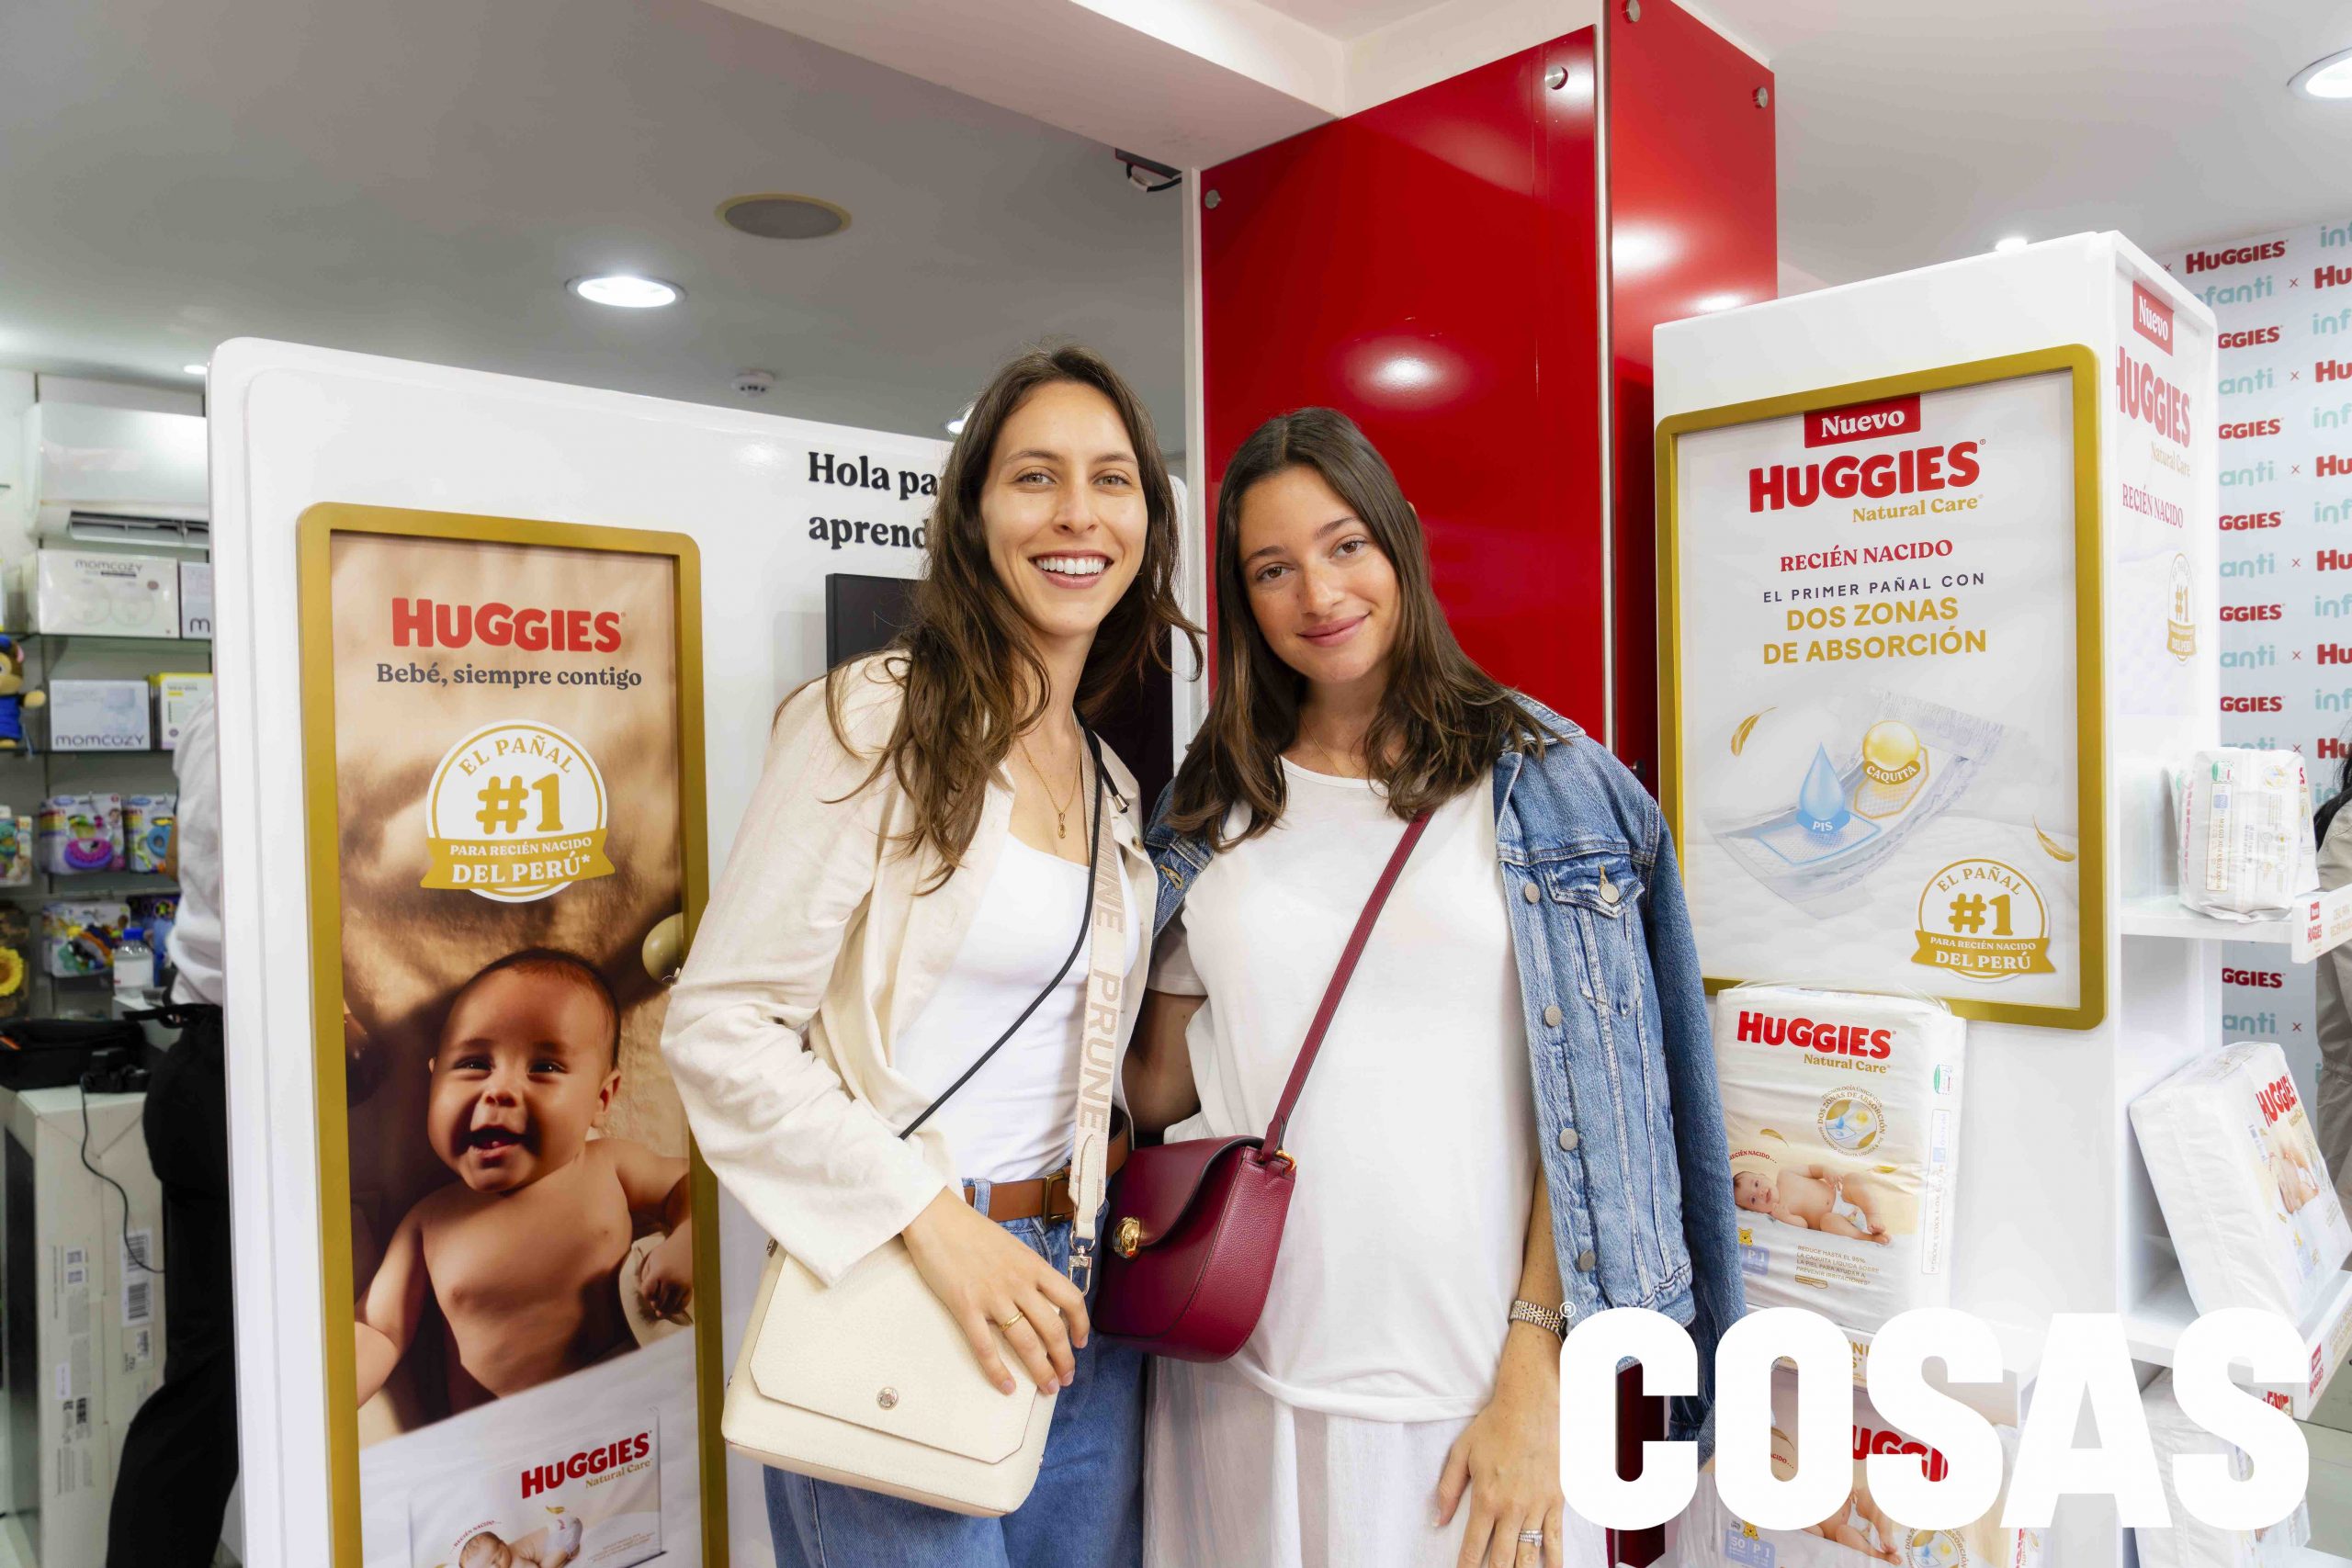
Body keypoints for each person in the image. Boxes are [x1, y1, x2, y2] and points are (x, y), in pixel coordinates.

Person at [1124, 408, 1742, 1568]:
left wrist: (1537, 1371)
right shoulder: (1212, 802)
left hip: (1472, 1391)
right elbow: (1158, 1094)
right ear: (1242, 597)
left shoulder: (1551, 790)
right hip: (1235, 1370)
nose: (1318, 593)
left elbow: (1609, 1113)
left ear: (1400, 538)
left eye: (1345, 544)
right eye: (1272, 568)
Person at [661, 344, 1194, 1568]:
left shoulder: (1110, 781)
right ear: (973, 514)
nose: (1077, 513)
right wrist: (928, 1222)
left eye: (1112, 479)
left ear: (1145, 525)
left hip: (1076, 1295)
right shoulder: (874, 720)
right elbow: (720, 1024)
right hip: (908, 1271)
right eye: (1035, 477)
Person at [352, 950, 693, 1412]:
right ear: (433, 1082)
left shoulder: (606, 1165)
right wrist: (329, 1396)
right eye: (474, 1063)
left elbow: (693, 1184)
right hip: (503, 1443)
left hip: (628, 1420)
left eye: (544, 1068)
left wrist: (688, 1241)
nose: (499, 1090)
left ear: (601, 1098)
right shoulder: (430, 1222)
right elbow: (379, 1327)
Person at [107, 692, 235, 1568]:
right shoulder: (267, 697)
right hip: (238, 1071)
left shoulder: (215, 705)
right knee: (212, 1391)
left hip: (207, 1057)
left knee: (210, 1382)